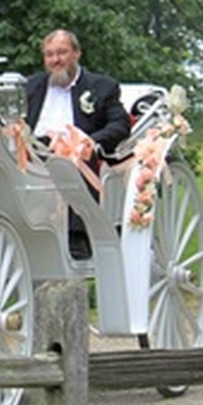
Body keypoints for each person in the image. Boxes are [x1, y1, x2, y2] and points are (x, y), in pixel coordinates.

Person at [25, 28, 131, 258]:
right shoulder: (31, 86)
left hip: (77, 151)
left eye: (61, 53)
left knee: (74, 159)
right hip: (36, 151)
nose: (55, 60)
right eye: (49, 54)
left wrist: (89, 141)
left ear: (77, 54)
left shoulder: (103, 87)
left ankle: (78, 236)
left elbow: (120, 125)